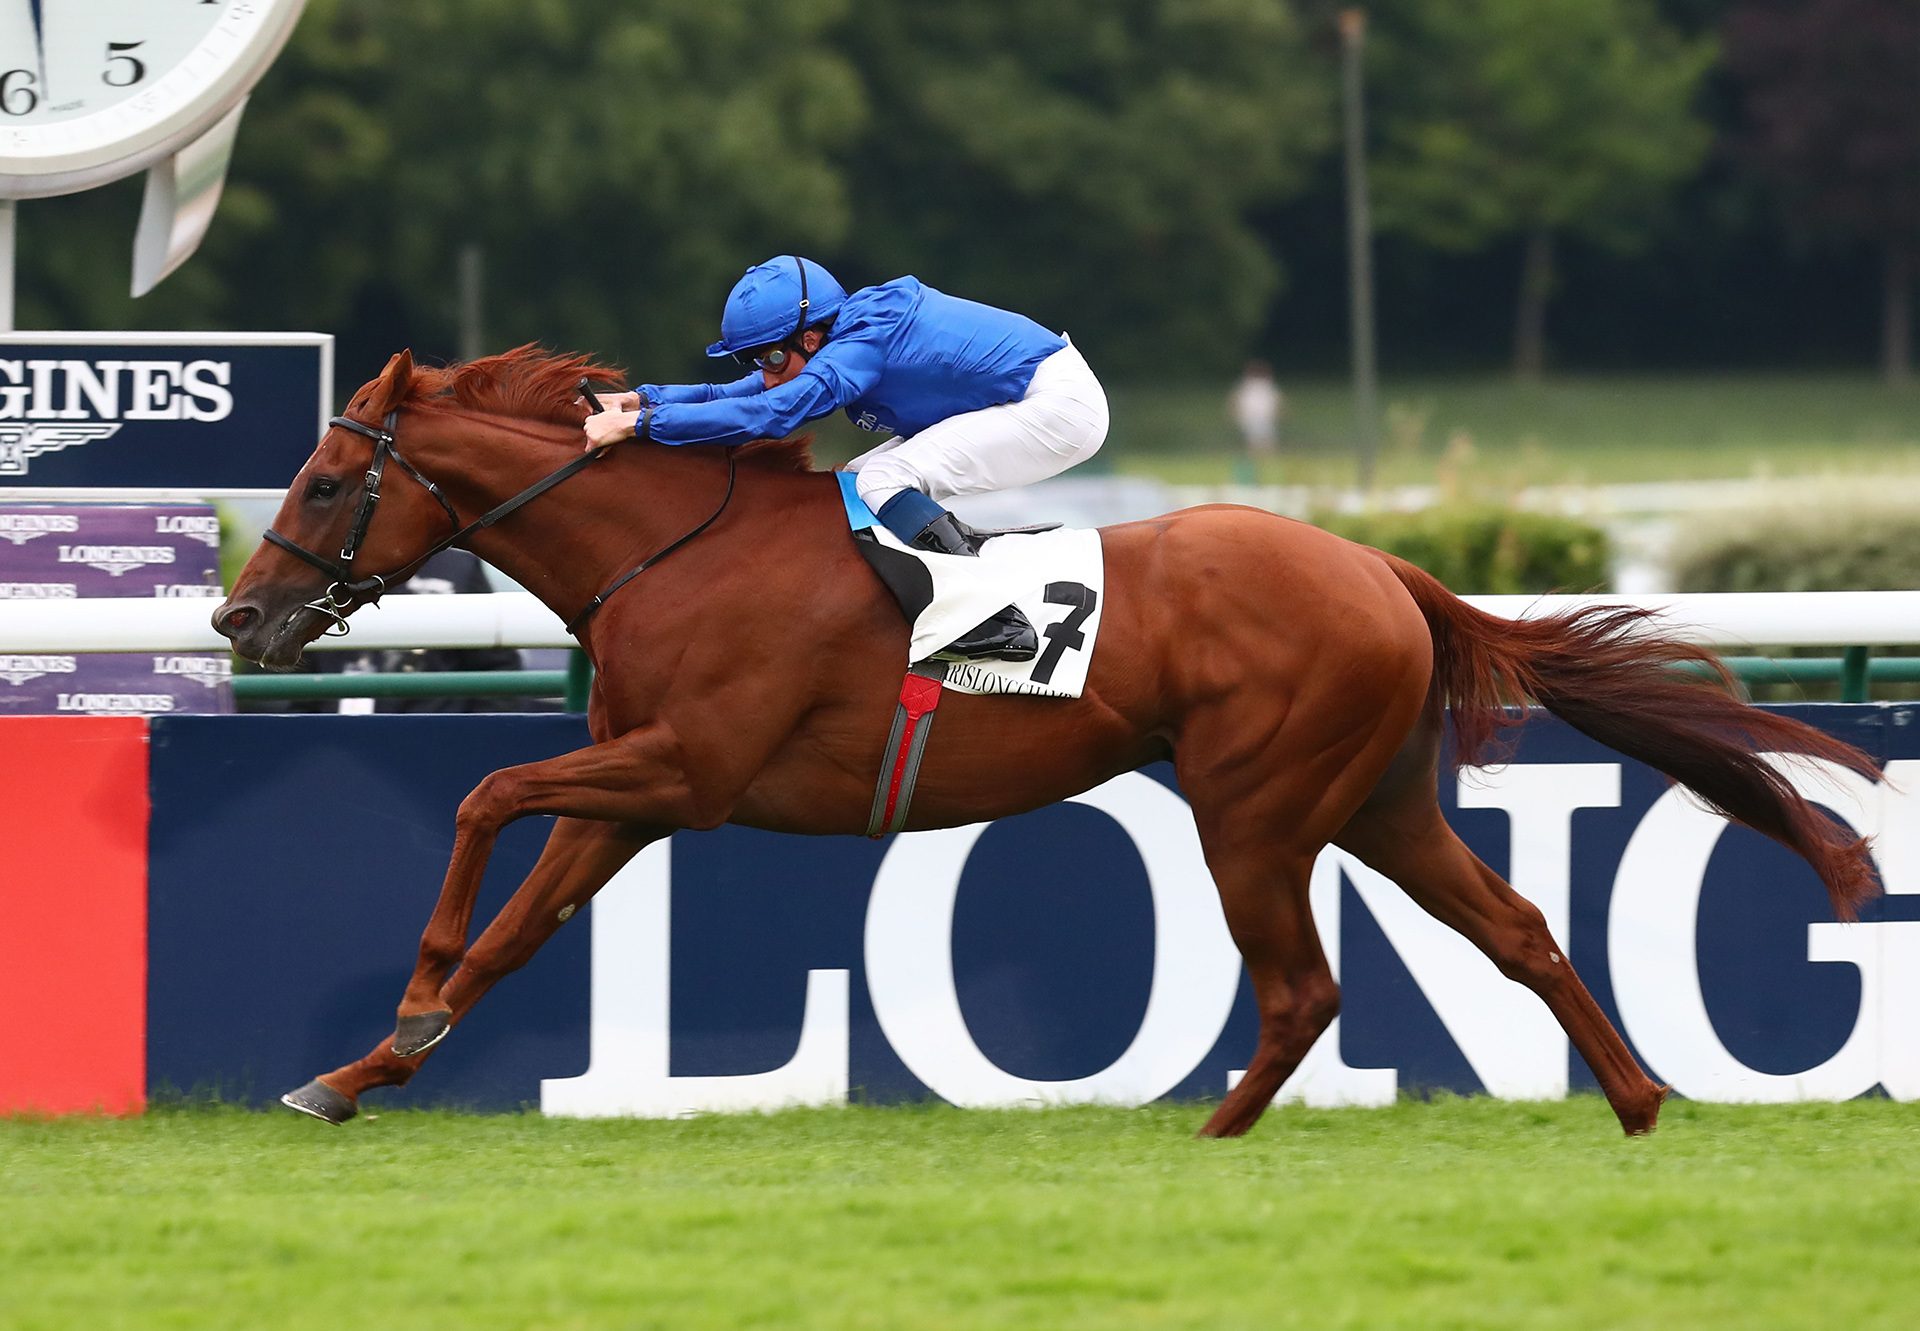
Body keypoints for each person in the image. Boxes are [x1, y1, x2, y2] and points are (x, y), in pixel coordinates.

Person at [581, 256, 1109, 662]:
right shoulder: (841, 334)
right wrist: (646, 400)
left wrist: (640, 426)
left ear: (811, 337)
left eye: (770, 357)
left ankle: (990, 617)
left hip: (1057, 406)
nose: (764, 372)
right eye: (754, 359)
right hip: (1024, 395)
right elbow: (749, 392)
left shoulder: (864, 341)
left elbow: (771, 414)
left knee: (884, 477)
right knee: (857, 485)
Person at [1228, 359, 1284, 464]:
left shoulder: (1259, 386)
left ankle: (1263, 461)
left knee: (1262, 441)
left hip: (1260, 417)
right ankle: (1260, 461)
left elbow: (1235, 400)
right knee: (1260, 441)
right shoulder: (1252, 386)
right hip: (1254, 417)